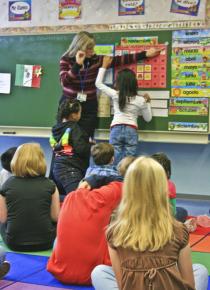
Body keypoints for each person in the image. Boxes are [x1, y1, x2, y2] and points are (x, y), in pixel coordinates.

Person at [91, 157, 208, 290]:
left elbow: (122, 284)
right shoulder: (179, 231)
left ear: (128, 189)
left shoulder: (115, 232)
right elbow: (189, 285)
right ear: (162, 189)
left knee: (99, 272)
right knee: (200, 270)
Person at [47, 156, 136, 285]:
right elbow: (126, 182)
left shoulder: (71, 196)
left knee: (59, 239)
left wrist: (92, 179)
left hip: (59, 272)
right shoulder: (112, 193)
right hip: (91, 275)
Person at [59, 31, 160, 137]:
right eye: (89, 48)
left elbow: (121, 60)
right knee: (64, 139)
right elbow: (64, 82)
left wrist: (144, 54)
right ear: (79, 47)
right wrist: (77, 65)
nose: (92, 51)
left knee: (85, 139)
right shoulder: (66, 59)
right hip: (68, 105)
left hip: (88, 106)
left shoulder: (96, 60)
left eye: (93, 47)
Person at [0, 143, 60, 252]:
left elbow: (3, 218)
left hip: (14, 243)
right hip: (46, 242)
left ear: (16, 160)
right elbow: (55, 217)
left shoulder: (6, 185)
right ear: (41, 161)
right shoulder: (51, 185)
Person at [95, 57, 152, 165]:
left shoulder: (115, 95)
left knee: (114, 160)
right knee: (128, 164)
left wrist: (103, 67)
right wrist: (148, 102)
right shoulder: (140, 100)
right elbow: (148, 119)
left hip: (116, 128)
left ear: (119, 83)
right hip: (131, 129)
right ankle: (125, 181)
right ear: (134, 83)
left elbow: (98, 83)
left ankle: (116, 180)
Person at [50, 99, 92, 196]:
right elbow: (81, 149)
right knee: (76, 199)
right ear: (74, 115)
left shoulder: (56, 129)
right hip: (71, 170)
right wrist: (89, 145)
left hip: (57, 170)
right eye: (80, 112)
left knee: (63, 199)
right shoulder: (75, 128)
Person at [151, 152, 188, 222]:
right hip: (163, 223)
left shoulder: (142, 183)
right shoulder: (170, 185)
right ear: (167, 170)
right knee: (182, 211)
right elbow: (172, 212)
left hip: (144, 220)